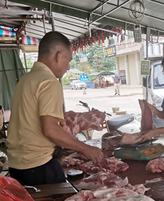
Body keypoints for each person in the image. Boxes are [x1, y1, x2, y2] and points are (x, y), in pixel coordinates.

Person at [7, 31, 104, 185]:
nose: (68, 66)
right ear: (59, 55)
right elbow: (50, 130)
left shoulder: (26, 79)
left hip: (17, 165)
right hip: (38, 165)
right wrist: (85, 148)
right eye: (68, 60)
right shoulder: (49, 82)